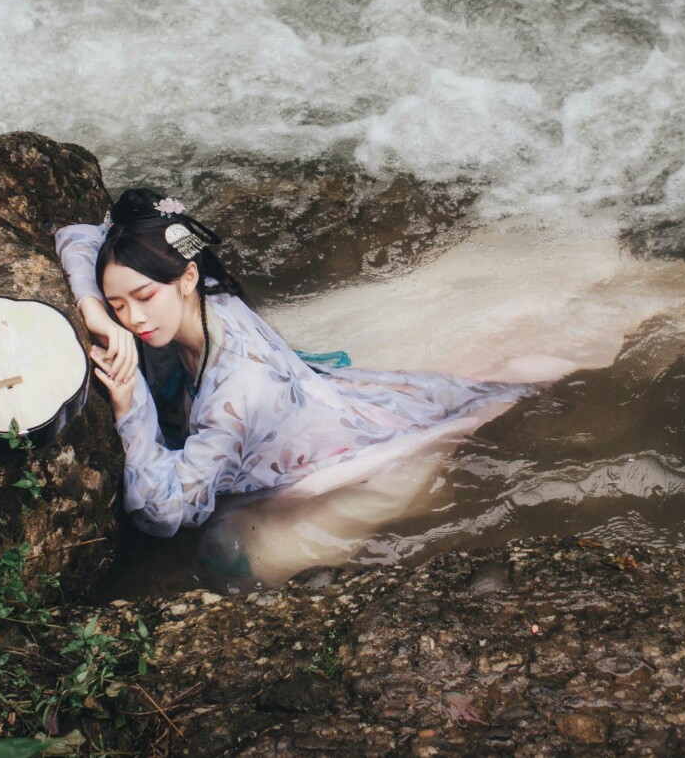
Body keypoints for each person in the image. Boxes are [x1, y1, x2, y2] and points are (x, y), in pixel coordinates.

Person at [55, 188, 533, 539]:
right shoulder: (205, 293)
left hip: (324, 450)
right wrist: (98, 312)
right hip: (317, 401)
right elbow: (79, 237)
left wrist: (129, 404)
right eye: (120, 305)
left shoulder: (235, 394)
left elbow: (164, 513)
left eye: (143, 297)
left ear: (187, 277)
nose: (133, 319)